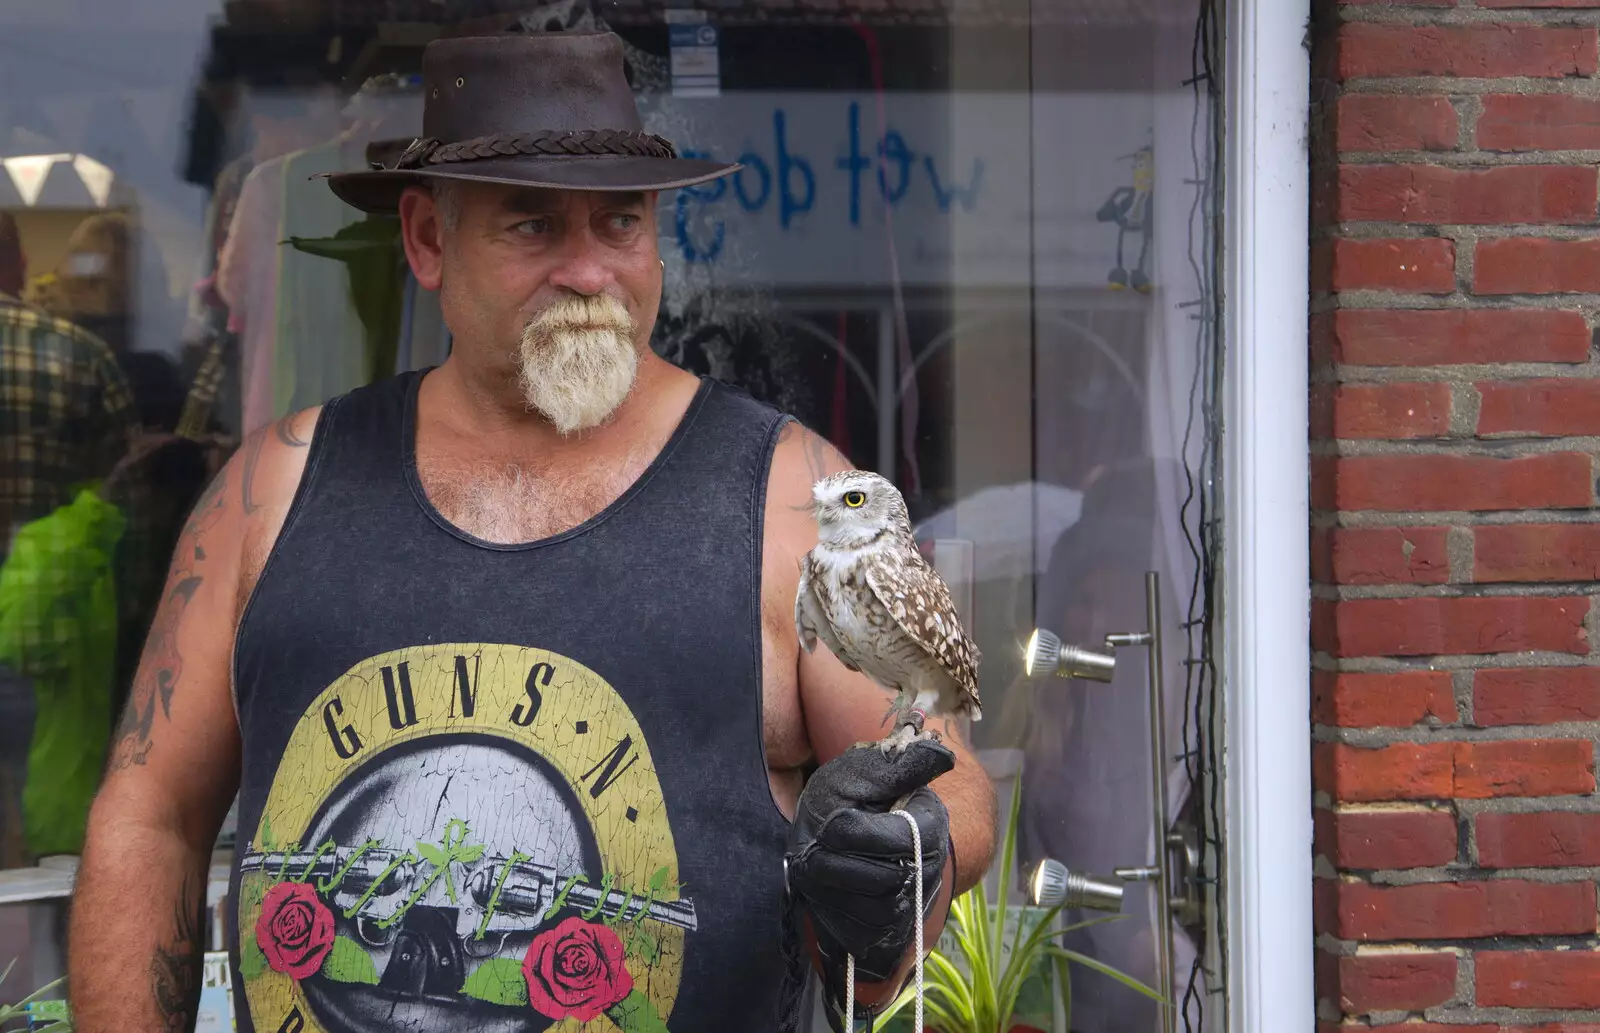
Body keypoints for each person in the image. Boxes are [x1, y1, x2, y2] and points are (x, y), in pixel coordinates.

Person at [67, 30, 996, 1033]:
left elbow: (950, 785)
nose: (590, 272)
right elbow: (148, 817)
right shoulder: (274, 488)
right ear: (426, 240)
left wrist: (898, 844)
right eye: (532, 226)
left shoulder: (799, 498)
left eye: (621, 223)